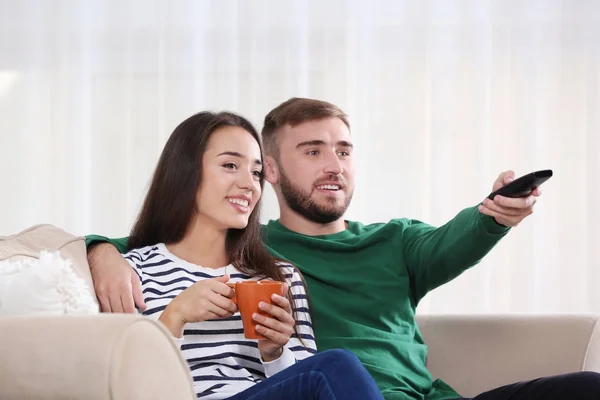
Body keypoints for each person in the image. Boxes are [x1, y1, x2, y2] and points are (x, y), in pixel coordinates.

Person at [86, 98, 600, 400]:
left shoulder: (308, 262)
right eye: (313, 151)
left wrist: (492, 214)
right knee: (339, 365)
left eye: (344, 150)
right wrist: (95, 249)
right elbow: (167, 246)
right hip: (329, 385)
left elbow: (452, 241)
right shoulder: (201, 255)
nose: (334, 164)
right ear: (278, 167)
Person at [103, 110, 384, 400]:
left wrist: (274, 352)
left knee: (334, 367)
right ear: (185, 171)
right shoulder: (129, 273)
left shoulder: (280, 277)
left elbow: (308, 383)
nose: (249, 184)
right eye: (230, 165)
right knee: (337, 365)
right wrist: (176, 316)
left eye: (256, 172)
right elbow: (125, 387)